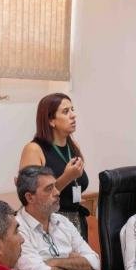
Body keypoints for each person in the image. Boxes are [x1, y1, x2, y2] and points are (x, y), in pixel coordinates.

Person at [14, 165, 136, 270]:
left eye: (55, 186)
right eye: (49, 189)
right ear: (30, 197)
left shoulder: (62, 221)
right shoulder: (16, 230)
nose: (57, 192)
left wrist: (55, 262)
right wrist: (77, 266)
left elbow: (94, 262)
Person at [18, 93, 90, 238]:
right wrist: (67, 177)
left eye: (72, 109)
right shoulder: (34, 149)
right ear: (51, 120)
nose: (73, 115)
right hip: (49, 225)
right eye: (66, 111)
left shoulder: (73, 146)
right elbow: (34, 199)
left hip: (76, 222)